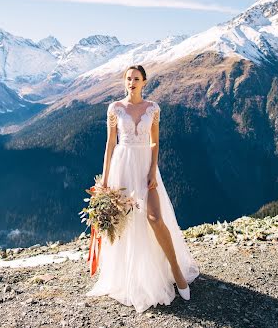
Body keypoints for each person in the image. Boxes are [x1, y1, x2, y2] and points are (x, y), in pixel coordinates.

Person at [85, 64, 199, 313]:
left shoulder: (153, 108)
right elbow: (110, 145)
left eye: (136, 78)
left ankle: (177, 272)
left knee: (155, 218)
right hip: (122, 168)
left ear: (144, 82)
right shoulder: (114, 108)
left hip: (146, 167)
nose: (132, 82)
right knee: (126, 224)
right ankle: (133, 277)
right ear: (124, 81)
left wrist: (152, 170)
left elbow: (155, 141)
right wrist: (105, 181)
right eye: (128, 78)